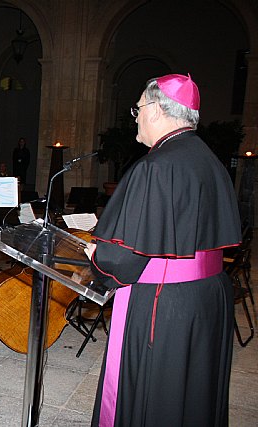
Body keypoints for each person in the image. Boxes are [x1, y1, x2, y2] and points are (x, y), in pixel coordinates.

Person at [85, 74, 242, 427]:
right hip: (208, 296)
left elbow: (121, 260)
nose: (135, 117)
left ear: (155, 109)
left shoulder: (155, 167)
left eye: (138, 108)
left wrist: (96, 255)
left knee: (158, 397)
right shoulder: (210, 161)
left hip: (163, 304)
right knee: (193, 392)